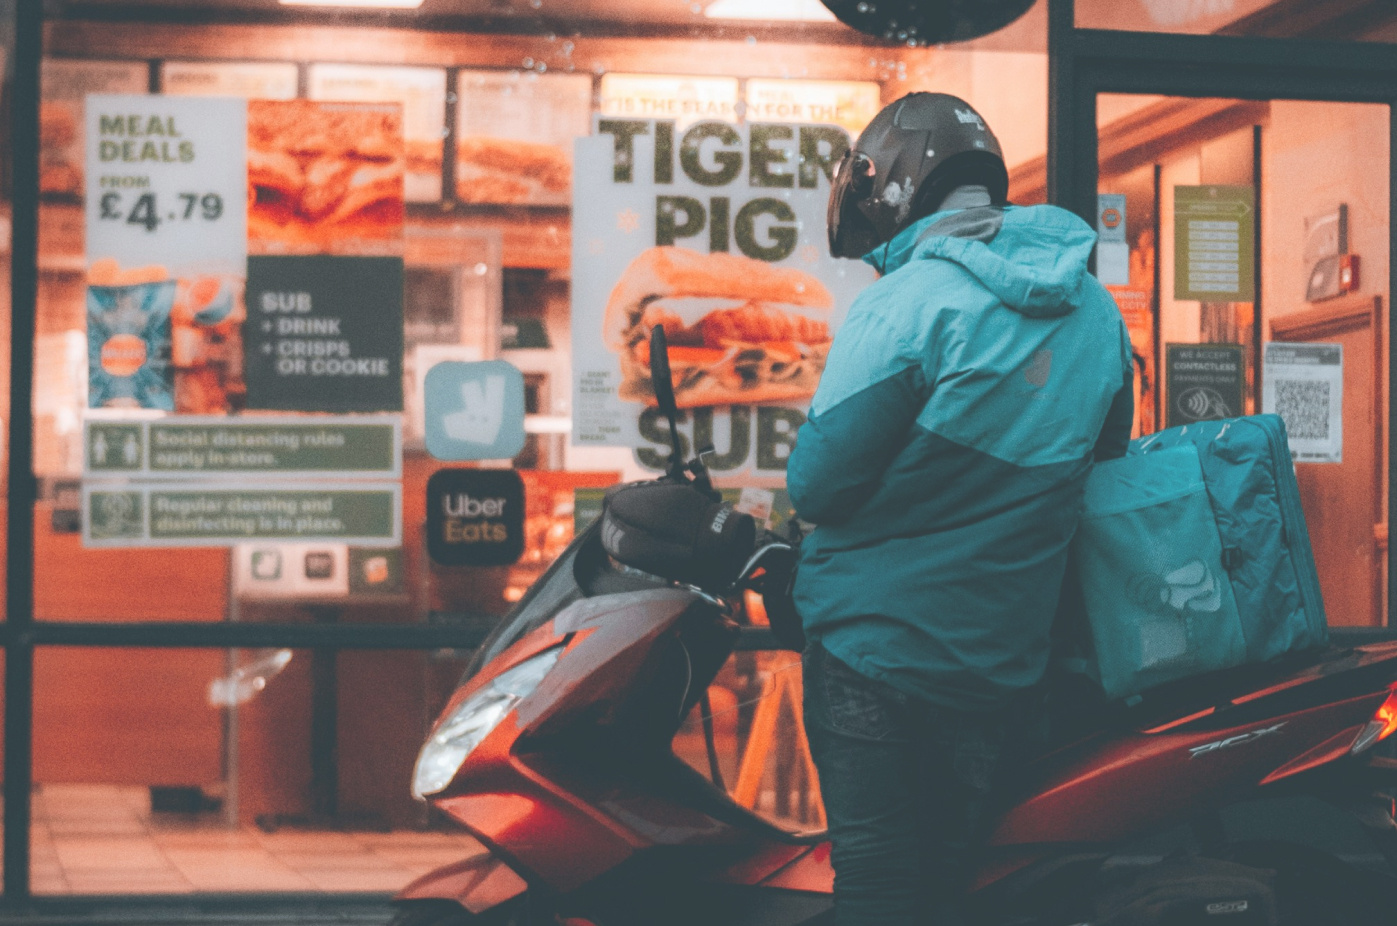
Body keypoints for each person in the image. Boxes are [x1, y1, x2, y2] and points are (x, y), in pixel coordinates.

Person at [786, 92, 1134, 925]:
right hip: (1001, 656)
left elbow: (818, 485)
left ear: (899, 190)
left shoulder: (905, 304)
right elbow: (1107, 459)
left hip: (874, 646)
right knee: (951, 885)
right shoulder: (1094, 309)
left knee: (875, 882)